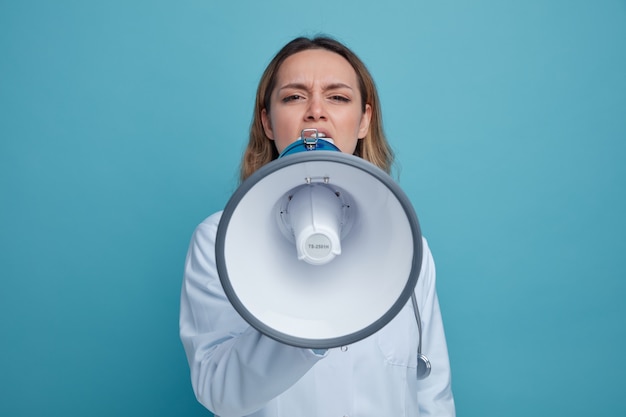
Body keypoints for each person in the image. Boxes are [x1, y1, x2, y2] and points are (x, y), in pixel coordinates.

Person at [180, 35, 455, 416]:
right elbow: (219, 389)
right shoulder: (218, 240)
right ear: (268, 123)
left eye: (338, 98)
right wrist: (310, 322)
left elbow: (432, 394)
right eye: (293, 97)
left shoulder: (408, 247)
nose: (316, 112)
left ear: (363, 121)